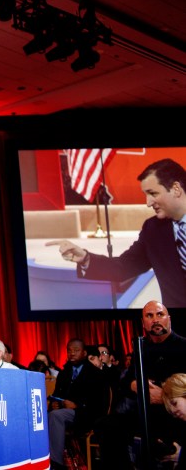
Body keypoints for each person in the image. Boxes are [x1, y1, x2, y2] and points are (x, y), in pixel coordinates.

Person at [47, 158, 186, 308]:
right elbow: (123, 267)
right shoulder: (153, 229)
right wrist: (85, 258)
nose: (148, 203)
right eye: (146, 195)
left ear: (176, 189)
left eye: (153, 193)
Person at [93, 300, 186, 468]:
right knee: (106, 425)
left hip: (174, 412)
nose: (155, 320)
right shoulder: (141, 348)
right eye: (149, 316)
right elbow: (124, 382)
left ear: (169, 319)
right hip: (145, 412)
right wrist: (136, 385)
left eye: (160, 314)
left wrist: (165, 395)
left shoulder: (183, 346)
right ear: (143, 323)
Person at [47, 338, 109, 470]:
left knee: (55, 416)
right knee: (45, 416)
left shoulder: (96, 374)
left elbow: (100, 404)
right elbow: (57, 395)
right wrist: (54, 404)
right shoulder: (64, 373)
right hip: (64, 413)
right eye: (69, 350)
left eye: (76, 350)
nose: (72, 353)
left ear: (84, 353)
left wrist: (78, 406)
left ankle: (56, 465)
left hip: (86, 415)